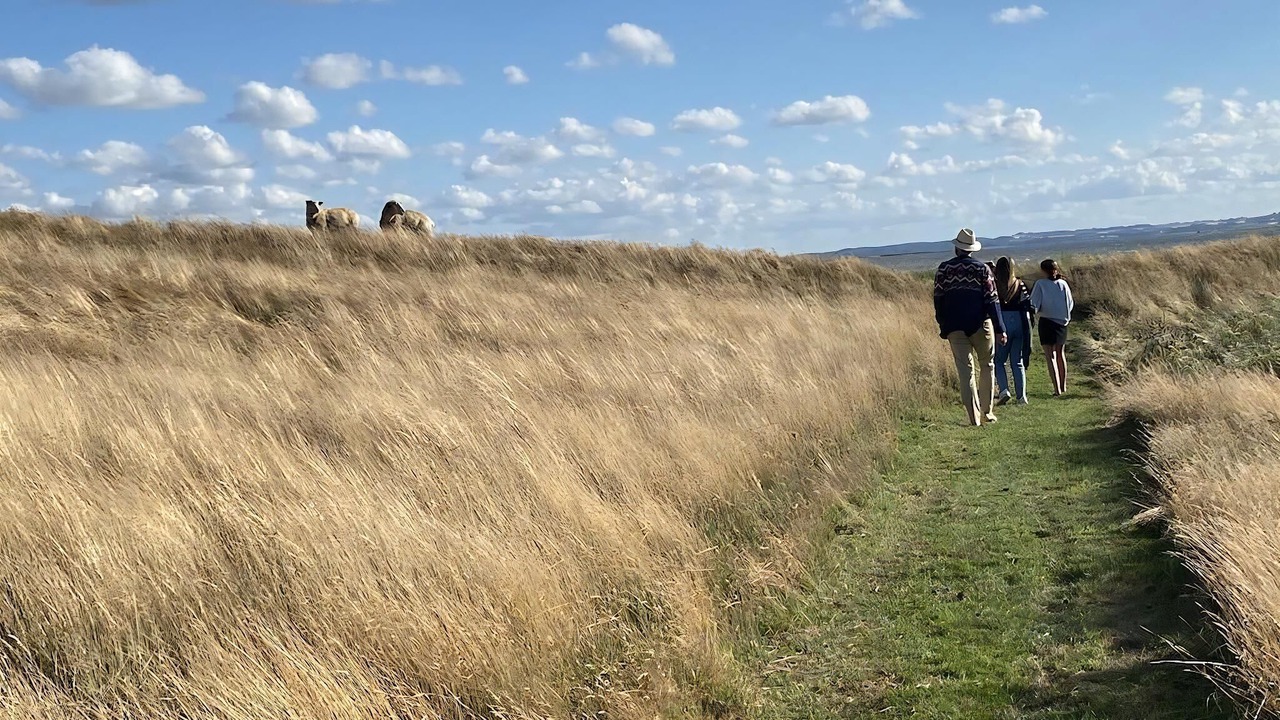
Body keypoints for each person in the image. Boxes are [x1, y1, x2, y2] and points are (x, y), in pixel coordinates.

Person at [934, 229, 1008, 426]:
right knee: (987, 365)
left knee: (966, 372)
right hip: (981, 324)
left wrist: (943, 324)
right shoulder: (982, 270)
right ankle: (987, 411)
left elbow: (938, 299)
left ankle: (973, 417)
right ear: (972, 249)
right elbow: (992, 300)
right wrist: (1000, 328)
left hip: (955, 326)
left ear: (957, 247)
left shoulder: (944, 269)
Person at [993, 256, 1034, 406]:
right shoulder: (1020, 284)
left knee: (999, 360)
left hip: (1002, 322)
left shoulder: (995, 285)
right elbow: (1028, 304)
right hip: (1019, 322)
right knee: (1017, 361)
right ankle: (1021, 396)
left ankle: (1004, 389)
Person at [1030, 258, 1074, 396]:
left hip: (1047, 321)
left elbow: (1034, 305)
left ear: (1043, 270)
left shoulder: (1040, 284)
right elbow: (1070, 303)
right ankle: (1063, 385)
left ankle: (1057, 389)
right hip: (1062, 322)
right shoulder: (1063, 284)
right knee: (1060, 354)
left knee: (1050, 356)